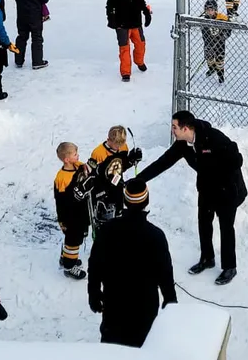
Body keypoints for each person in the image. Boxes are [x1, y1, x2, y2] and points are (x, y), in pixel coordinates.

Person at [136, 110, 247, 286]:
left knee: (226, 227)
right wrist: (138, 180)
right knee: (204, 222)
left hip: (227, 190)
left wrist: (216, 170)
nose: (172, 130)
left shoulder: (213, 138)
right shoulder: (183, 144)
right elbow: (163, 162)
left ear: (186, 128)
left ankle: (230, 267)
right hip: (207, 188)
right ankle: (207, 258)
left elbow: (236, 160)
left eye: (175, 127)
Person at [88, 179, 177, 347]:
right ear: (147, 201)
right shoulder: (156, 236)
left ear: (125, 201)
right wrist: (170, 301)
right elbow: (165, 274)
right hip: (145, 308)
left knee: (111, 351)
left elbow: (95, 264)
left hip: (113, 305)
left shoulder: (107, 230)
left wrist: (93, 292)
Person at [87, 126, 144, 231]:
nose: (118, 148)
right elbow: (92, 174)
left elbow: (122, 166)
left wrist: (132, 159)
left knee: (118, 214)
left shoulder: (123, 147)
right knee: (104, 218)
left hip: (117, 188)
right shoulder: (98, 153)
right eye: (115, 145)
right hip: (102, 191)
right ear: (108, 140)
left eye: (120, 145)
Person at [106, 0, 151, 82]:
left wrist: (146, 12)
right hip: (122, 25)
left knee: (140, 44)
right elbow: (109, 5)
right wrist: (112, 20)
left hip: (136, 23)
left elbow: (141, 0)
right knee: (124, 48)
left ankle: (139, 61)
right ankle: (126, 72)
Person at [54, 141, 94, 278]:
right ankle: (69, 267)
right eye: (75, 154)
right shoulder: (62, 178)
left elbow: (84, 167)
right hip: (70, 217)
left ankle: (66, 257)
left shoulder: (76, 166)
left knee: (76, 238)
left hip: (81, 212)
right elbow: (61, 201)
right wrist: (62, 220)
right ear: (67, 159)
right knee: (73, 240)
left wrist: (88, 168)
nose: (78, 156)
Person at [12, 0, 49, 69]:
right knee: (36, 37)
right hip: (34, 14)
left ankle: (18, 60)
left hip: (21, 13)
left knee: (21, 36)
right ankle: (37, 61)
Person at [200, 0, 229, 82]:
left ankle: (220, 75)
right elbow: (204, 33)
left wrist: (225, 35)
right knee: (209, 58)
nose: (209, 12)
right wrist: (208, 42)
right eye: (207, 10)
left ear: (215, 10)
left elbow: (229, 28)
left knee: (220, 59)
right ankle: (212, 69)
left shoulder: (222, 18)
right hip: (209, 43)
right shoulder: (204, 20)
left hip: (220, 43)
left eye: (211, 10)